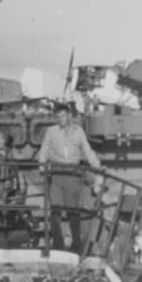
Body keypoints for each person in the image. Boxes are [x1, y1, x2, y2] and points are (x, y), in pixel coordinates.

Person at [36, 103, 103, 254]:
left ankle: (76, 244)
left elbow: (87, 150)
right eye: (58, 116)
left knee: (73, 211)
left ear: (69, 116)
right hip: (57, 174)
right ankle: (58, 245)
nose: (61, 119)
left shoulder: (78, 132)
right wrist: (42, 167)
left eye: (63, 116)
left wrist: (97, 166)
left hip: (73, 174)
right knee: (55, 210)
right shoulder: (51, 132)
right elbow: (44, 150)